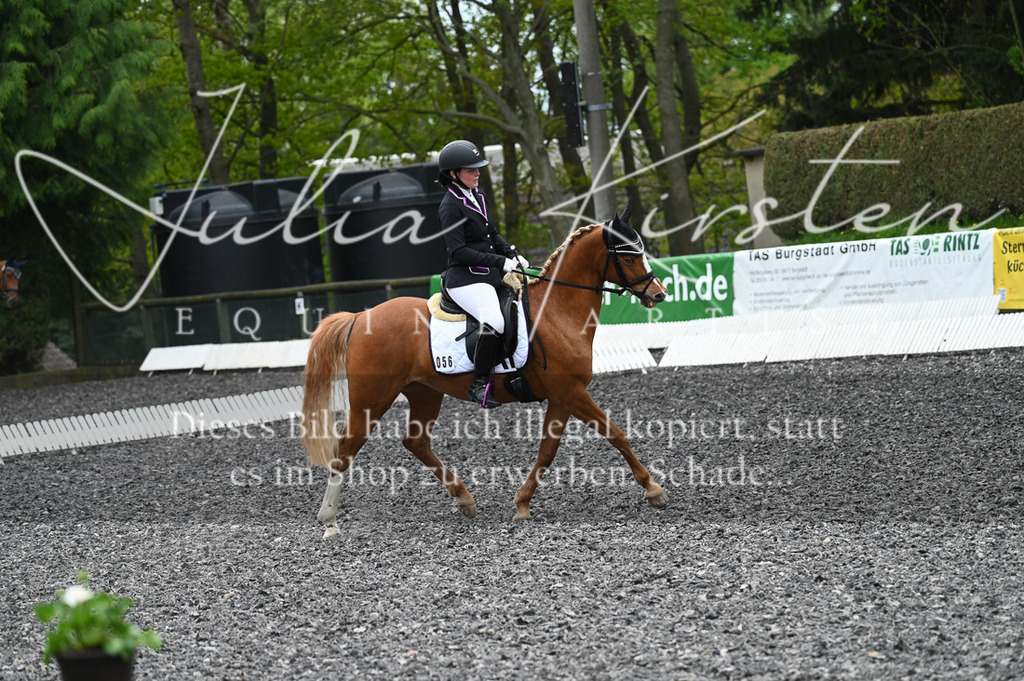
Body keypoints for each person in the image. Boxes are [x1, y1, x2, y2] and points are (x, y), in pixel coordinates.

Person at [437, 139, 529, 408]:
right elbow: (459, 252)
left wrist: (512, 253)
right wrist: (500, 262)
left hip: (487, 276)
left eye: (478, 168)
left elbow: (492, 234)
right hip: (464, 280)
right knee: (495, 321)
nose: (477, 173)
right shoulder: (450, 206)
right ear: (453, 174)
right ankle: (479, 385)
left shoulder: (478, 195)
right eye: (471, 169)